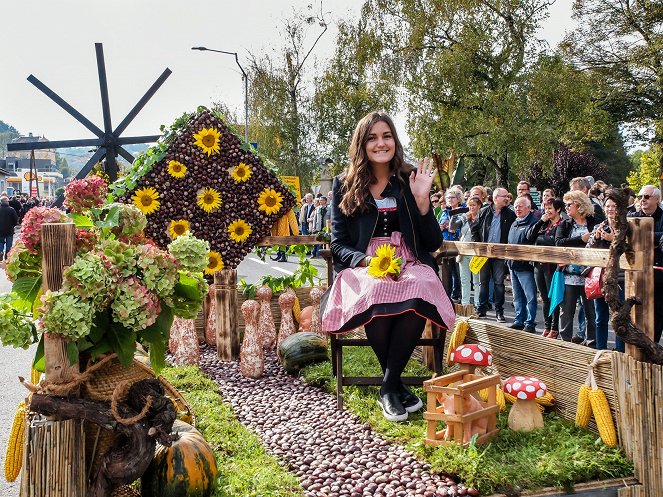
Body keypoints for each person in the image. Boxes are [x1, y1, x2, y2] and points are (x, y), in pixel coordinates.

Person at [321, 111, 455, 422]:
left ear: (394, 140)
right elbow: (338, 243)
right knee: (377, 287)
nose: (381, 143)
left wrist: (423, 202)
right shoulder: (344, 184)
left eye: (386, 136)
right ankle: (394, 386)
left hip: (408, 258)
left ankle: (388, 386)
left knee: (419, 285)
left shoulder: (409, 178)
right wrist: (366, 261)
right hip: (363, 264)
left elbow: (432, 241)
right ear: (362, 144)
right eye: (372, 138)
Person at [555, 191, 599, 346]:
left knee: (590, 313)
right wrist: (581, 239)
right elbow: (559, 243)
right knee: (566, 312)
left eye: (569, 204)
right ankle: (564, 343)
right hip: (569, 275)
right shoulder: (565, 224)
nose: (566, 207)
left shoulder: (594, 222)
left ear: (579, 205)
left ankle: (592, 343)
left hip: (589, 276)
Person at [471, 187, 516, 322]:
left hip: (500, 255)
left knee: (498, 283)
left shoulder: (510, 214)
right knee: (483, 282)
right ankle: (481, 310)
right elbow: (474, 230)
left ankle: (499, 311)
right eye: (504, 196)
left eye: (508, 197)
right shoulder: (484, 211)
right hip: (484, 254)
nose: (507, 199)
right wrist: (478, 247)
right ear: (496, 198)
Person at [587, 196, 624, 350]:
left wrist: (613, 238)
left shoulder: (625, 227)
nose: (610, 209)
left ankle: (620, 351)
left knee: (619, 318)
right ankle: (600, 349)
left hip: (619, 278)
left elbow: (630, 248)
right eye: (607, 206)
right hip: (600, 278)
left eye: (613, 206)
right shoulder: (599, 226)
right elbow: (588, 249)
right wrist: (596, 238)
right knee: (600, 317)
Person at [628, 185, 663, 344]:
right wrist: (653, 239)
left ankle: (653, 348)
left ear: (657, 199)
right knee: (636, 315)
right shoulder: (632, 216)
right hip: (636, 276)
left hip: (658, 277)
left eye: (647, 197)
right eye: (640, 196)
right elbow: (625, 237)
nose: (642, 200)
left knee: (657, 314)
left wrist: (641, 236)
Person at [526, 197, 564, 338]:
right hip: (539, 265)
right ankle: (547, 326)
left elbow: (555, 242)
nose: (547, 211)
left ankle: (554, 327)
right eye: (545, 208)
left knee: (552, 296)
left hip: (552, 266)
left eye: (550, 208)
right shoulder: (543, 224)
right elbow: (529, 236)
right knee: (543, 297)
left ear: (558, 209)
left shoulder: (562, 224)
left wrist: (540, 240)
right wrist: (541, 221)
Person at [506, 196, 539, 332]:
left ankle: (530, 323)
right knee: (517, 296)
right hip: (512, 265)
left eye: (520, 206)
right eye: (516, 206)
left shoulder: (533, 222)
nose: (517, 208)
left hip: (525, 266)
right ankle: (519, 320)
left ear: (528, 207)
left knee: (530, 296)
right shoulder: (514, 223)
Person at [451, 196, 481, 307]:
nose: (471, 207)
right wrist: (453, 217)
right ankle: (465, 304)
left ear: (479, 206)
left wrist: (470, 219)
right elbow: (453, 227)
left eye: (474, 205)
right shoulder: (464, 216)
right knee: (464, 280)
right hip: (463, 252)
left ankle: (478, 304)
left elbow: (476, 233)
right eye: (469, 205)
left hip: (476, 252)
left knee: (477, 281)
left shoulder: (481, 216)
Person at [0, 195, 19, 262]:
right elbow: (16, 219)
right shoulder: (11, 209)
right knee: (9, 244)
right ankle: (7, 257)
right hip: (9, 229)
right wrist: (13, 225)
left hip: (0, 229)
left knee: (0, 242)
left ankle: (0, 251)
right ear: (6, 202)